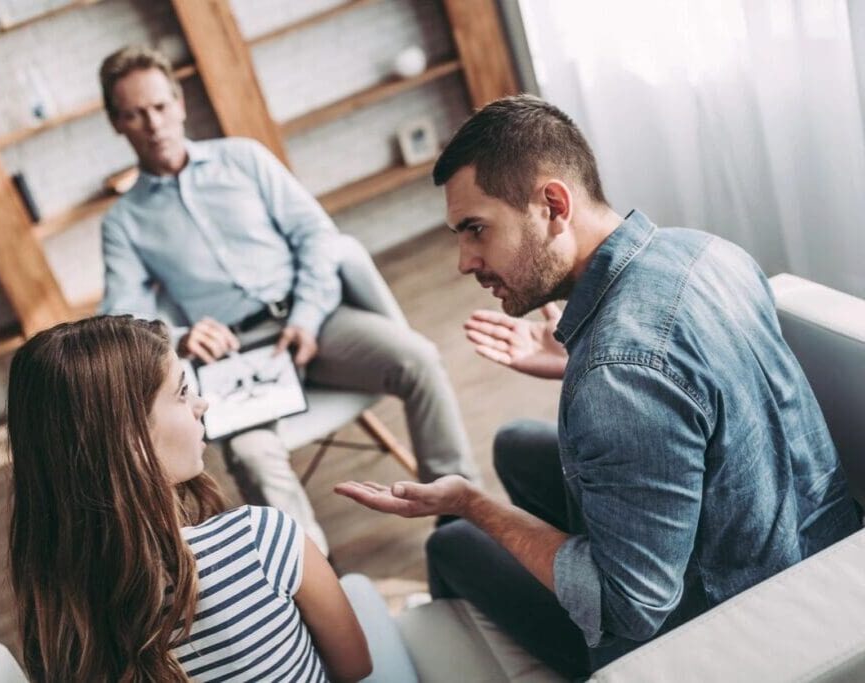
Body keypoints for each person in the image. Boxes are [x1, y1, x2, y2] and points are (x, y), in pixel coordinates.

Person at [336, 94, 862, 678]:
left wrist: (473, 504)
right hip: (806, 539)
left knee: (452, 542)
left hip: (720, 622)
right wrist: (575, 363)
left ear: (552, 204)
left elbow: (630, 607)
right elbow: (686, 386)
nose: (464, 260)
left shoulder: (619, 377)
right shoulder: (704, 250)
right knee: (513, 441)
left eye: (476, 230)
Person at [96, 45, 479, 556]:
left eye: (161, 106)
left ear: (180, 102)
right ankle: (320, 588)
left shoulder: (245, 159)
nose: (153, 123)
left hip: (316, 322)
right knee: (251, 456)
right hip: (236, 359)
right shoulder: (124, 223)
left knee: (420, 360)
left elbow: (315, 235)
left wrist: (306, 315)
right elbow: (120, 318)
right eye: (135, 114)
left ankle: (459, 527)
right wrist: (182, 336)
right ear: (116, 123)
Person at [6, 315, 373, 682]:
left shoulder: (55, 616)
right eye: (182, 393)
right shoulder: (261, 540)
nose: (203, 403)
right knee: (361, 592)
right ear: (131, 440)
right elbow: (355, 667)